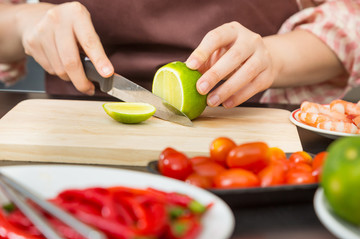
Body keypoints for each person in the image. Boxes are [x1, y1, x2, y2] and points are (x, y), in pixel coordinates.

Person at [0, 0, 359, 107]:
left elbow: (351, 24)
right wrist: (23, 21)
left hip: (240, 128)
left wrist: (274, 57)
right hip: (69, 131)